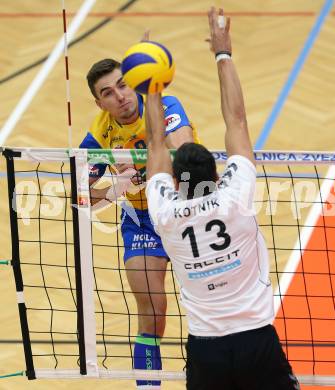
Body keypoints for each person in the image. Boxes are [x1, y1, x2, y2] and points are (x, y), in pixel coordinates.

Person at [145, 7, 300, 390]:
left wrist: (150, 85)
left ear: (176, 184)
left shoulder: (165, 212)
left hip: (206, 348)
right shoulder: (235, 196)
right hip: (256, 341)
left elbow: (154, 145)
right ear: (216, 175)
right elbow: (237, 121)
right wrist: (223, 52)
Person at [80, 53, 200, 389]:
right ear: (99, 103)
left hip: (187, 209)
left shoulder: (165, 105)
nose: (120, 96)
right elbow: (81, 198)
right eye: (108, 93)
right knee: (152, 313)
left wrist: (150, 171)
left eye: (122, 85)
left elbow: (186, 153)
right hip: (142, 220)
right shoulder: (100, 135)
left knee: (205, 308)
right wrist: (116, 188)